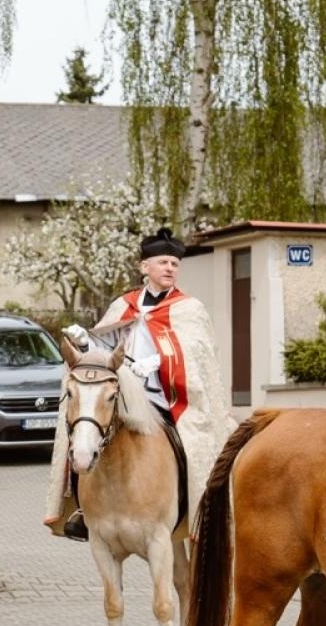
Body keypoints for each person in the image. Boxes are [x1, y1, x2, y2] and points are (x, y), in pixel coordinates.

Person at [43, 227, 233, 541]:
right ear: (145, 267)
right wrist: (84, 342)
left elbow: (199, 356)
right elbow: (102, 353)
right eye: (163, 262)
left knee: (192, 442)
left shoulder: (189, 309)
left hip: (168, 398)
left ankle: (195, 506)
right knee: (84, 432)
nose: (170, 268)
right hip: (121, 396)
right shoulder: (123, 305)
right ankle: (81, 508)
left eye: (174, 264)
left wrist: (160, 364)